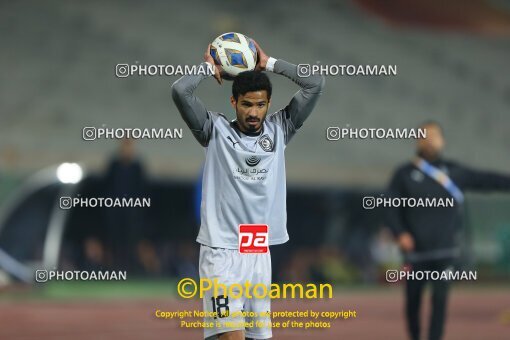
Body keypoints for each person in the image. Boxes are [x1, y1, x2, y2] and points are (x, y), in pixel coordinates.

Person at [171, 40, 325, 340]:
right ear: (233, 102)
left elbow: (315, 83)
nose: (253, 113)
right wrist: (208, 68)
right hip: (221, 252)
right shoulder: (213, 130)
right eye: (246, 104)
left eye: (260, 104)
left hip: (257, 252)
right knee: (232, 336)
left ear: (268, 104)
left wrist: (268, 63)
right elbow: (180, 90)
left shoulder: (281, 129)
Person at [385, 121, 510, 340]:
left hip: (445, 250)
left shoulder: (454, 172)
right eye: (426, 136)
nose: (431, 140)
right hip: (416, 252)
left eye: (435, 136)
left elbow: (487, 180)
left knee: (440, 299)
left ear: (442, 141)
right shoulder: (403, 174)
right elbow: (390, 207)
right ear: (418, 140)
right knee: (413, 300)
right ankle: (414, 336)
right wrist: (400, 233)